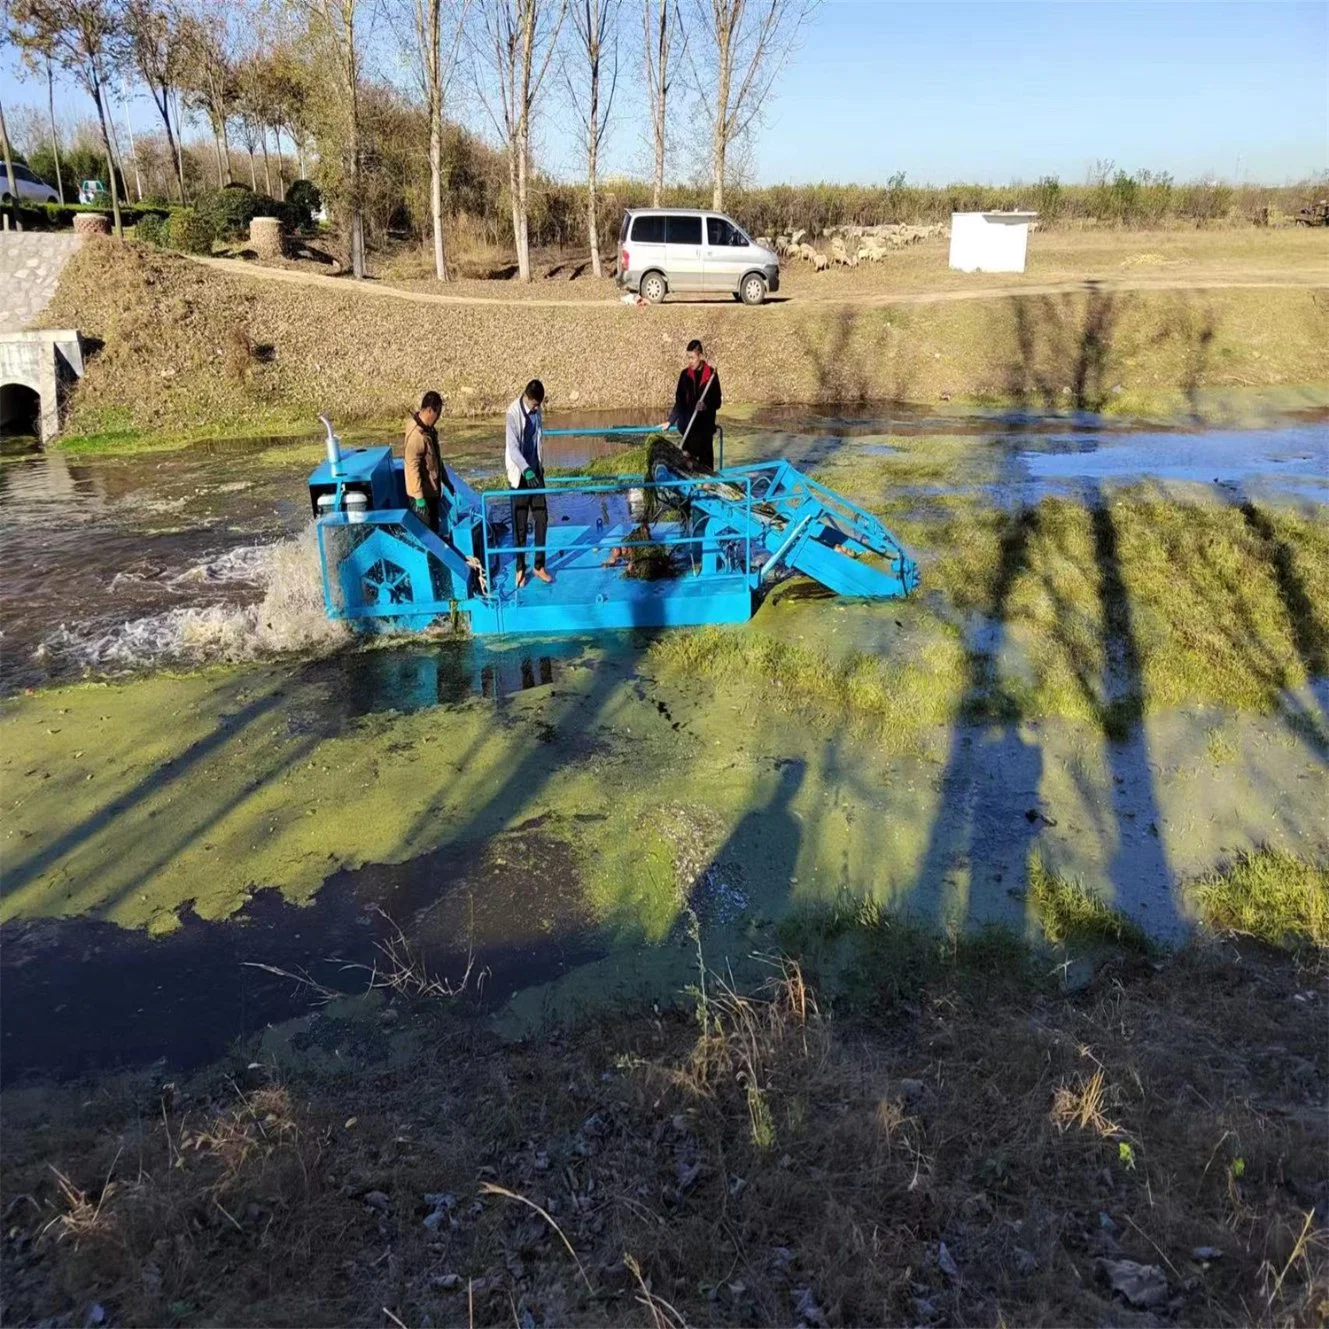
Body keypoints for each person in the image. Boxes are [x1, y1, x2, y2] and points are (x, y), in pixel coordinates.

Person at [505, 379, 553, 587]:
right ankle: (520, 568)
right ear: (528, 398)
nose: (537, 408)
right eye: (535, 404)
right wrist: (526, 470)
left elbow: (536, 440)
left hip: (536, 473)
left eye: (539, 405)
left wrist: (537, 469)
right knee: (520, 523)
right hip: (520, 475)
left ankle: (539, 565)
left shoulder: (537, 412)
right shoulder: (513, 414)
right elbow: (513, 447)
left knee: (541, 517)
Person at [661, 339, 722, 470]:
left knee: (706, 470)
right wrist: (670, 420)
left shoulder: (711, 375)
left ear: (700, 356)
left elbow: (717, 402)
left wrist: (706, 406)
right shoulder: (684, 375)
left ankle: (706, 487)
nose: (690, 361)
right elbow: (680, 401)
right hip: (688, 428)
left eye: (692, 358)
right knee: (687, 463)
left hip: (704, 430)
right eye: (688, 357)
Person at [403, 390, 451, 532]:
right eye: (438, 413)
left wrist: (446, 480)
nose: (438, 417)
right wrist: (419, 497)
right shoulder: (417, 436)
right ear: (430, 411)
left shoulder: (429, 431)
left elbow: (436, 458)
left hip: (432, 492)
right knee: (428, 536)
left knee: (435, 532)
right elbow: (412, 467)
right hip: (422, 498)